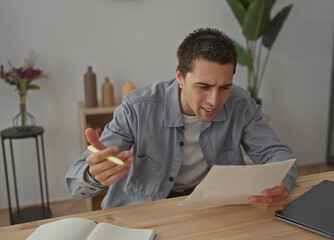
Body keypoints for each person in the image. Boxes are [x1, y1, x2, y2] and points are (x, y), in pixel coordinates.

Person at [66, 28, 297, 211]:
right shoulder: (136, 108)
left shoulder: (241, 103)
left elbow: (278, 155)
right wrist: (93, 175)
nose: (214, 100)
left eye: (225, 87)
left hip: (208, 206)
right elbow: (75, 186)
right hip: (145, 209)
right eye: (203, 87)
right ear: (180, 76)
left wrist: (280, 185)